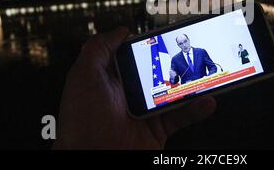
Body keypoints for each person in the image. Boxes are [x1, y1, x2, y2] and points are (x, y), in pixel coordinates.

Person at [53, 27, 216, 149]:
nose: (184, 45)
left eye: (185, 41)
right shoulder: (175, 59)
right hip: (187, 92)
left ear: (189, 40)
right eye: (180, 43)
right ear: (178, 45)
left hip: (203, 88)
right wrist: (173, 76)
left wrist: (210, 77)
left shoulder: (201, 51)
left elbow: (213, 68)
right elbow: (174, 82)